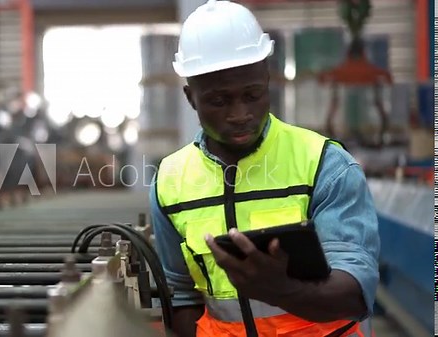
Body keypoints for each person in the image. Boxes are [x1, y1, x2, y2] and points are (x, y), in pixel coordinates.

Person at [148, 1, 380, 336]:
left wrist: (283, 289)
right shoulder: (169, 182)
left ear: (267, 81)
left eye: (252, 94)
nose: (240, 113)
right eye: (218, 100)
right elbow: (181, 296)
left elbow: (356, 295)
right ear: (190, 97)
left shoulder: (324, 164)